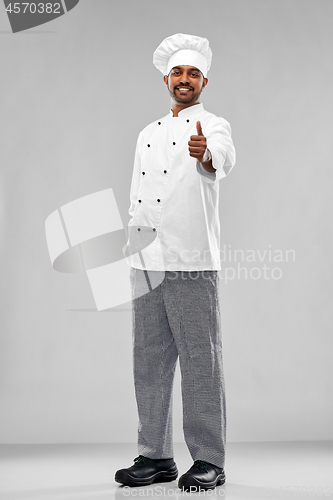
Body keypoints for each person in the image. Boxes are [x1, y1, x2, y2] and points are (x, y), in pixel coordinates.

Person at [115, 33, 236, 492]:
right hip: (145, 260)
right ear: (167, 78)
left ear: (204, 80)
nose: (185, 80)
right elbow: (135, 196)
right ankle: (156, 455)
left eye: (193, 74)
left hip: (191, 258)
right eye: (178, 73)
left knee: (201, 361)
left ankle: (209, 459)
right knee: (148, 360)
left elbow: (222, 160)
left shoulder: (214, 126)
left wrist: (205, 153)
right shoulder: (147, 133)